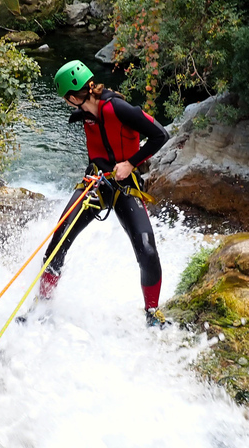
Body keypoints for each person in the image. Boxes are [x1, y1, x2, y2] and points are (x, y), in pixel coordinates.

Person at [41, 60, 170, 327]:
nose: (66, 103)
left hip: (125, 185)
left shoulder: (119, 108)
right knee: (59, 239)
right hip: (95, 184)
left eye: (66, 98)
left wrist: (131, 163)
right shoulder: (86, 111)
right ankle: (41, 308)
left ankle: (153, 312)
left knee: (147, 250)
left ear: (75, 97)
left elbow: (160, 134)